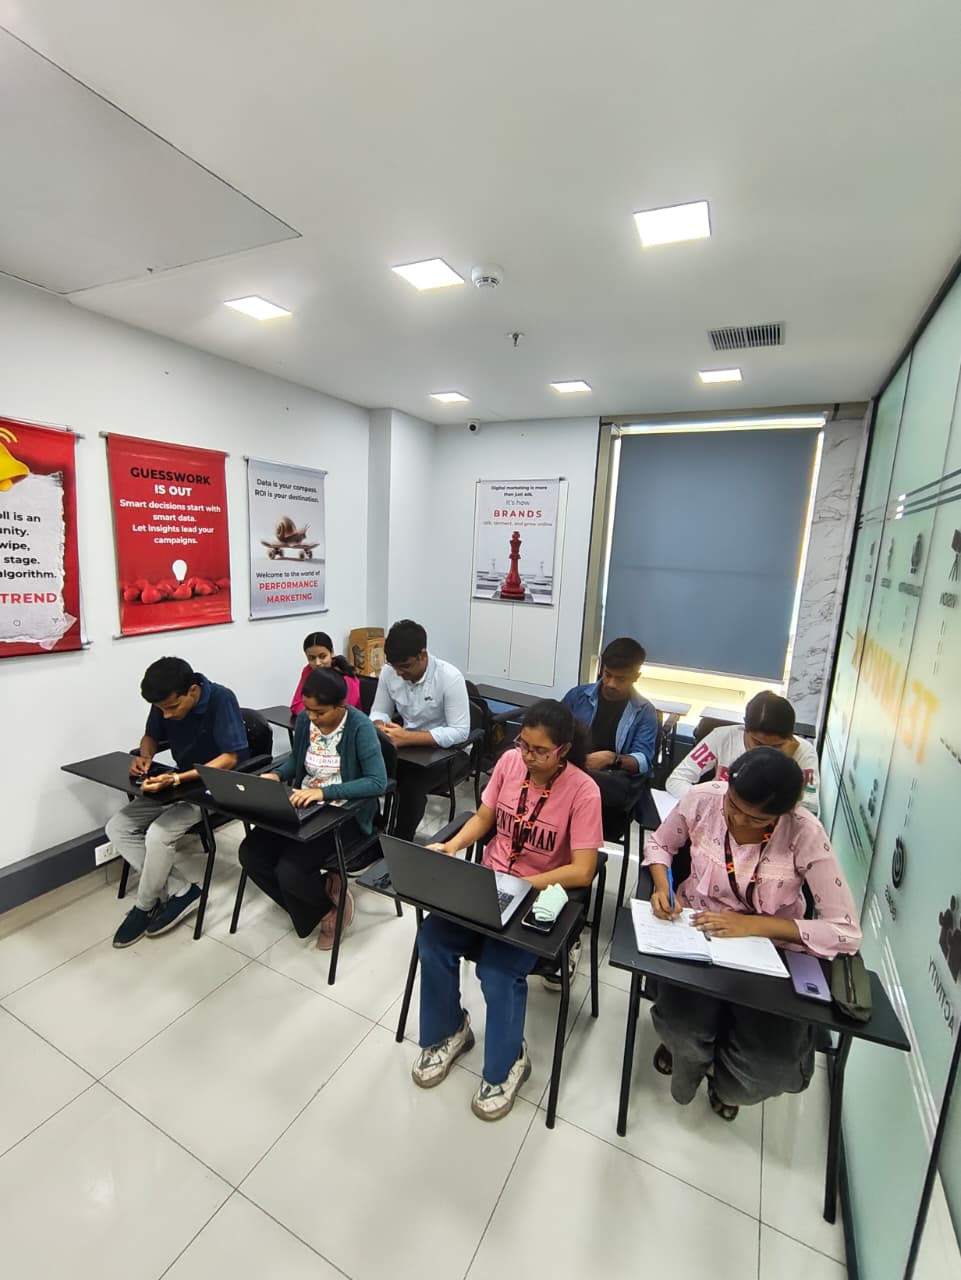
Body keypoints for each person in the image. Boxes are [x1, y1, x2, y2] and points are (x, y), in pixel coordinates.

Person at [644, 748, 860, 1121]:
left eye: (756, 818)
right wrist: (662, 886)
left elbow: (845, 931)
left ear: (784, 813)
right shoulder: (704, 798)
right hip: (698, 931)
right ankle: (689, 1060)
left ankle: (724, 1083)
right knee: (682, 1028)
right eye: (733, 807)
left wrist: (754, 925)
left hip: (772, 950)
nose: (738, 821)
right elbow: (660, 845)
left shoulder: (804, 832)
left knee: (768, 1064)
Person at [411, 700, 602, 1121]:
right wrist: (452, 845)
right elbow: (484, 817)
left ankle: (509, 1061)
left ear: (564, 750)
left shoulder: (583, 791)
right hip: (489, 884)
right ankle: (450, 1030)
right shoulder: (510, 764)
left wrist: (523, 886)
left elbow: (583, 870)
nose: (527, 756)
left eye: (540, 751)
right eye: (523, 745)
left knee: (497, 971)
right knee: (433, 939)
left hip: (538, 895)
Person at [239, 667, 388, 949]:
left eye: (320, 712)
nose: (311, 717)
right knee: (251, 854)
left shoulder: (360, 727)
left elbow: (377, 782)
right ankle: (323, 907)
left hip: (344, 813)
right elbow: (296, 762)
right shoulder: (308, 722)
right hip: (303, 802)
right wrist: (277, 776)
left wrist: (323, 792)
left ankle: (325, 903)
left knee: (290, 871)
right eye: (308, 710)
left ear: (341, 705)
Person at [107, 657, 249, 948]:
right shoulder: (164, 700)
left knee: (158, 834)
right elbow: (151, 736)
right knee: (117, 827)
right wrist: (145, 756)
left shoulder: (221, 699)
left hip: (214, 788)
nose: (167, 715)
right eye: (161, 709)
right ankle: (181, 889)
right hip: (178, 782)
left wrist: (176, 779)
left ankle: (145, 905)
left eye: (172, 707)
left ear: (193, 691)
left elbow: (230, 758)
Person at [369, 619, 470, 840]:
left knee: (411, 786)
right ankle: (372, 832)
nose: (399, 673)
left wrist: (408, 737)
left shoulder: (449, 677)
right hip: (406, 747)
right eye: (394, 667)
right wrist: (380, 728)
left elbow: (460, 731)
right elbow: (379, 711)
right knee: (367, 769)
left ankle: (399, 842)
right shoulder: (389, 673)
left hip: (449, 752)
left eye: (405, 666)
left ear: (422, 655)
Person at [562, 637, 658, 837]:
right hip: (572, 771)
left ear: (636, 676)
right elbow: (553, 729)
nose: (611, 683)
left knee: (573, 782)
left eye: (621, 679)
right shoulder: (578, 696)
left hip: (610, 784)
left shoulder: (644, 711)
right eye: (607, 675)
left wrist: (612, 759)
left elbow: (643, 761)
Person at [666, 689, 820, 814]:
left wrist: (783, 766)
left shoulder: (803, 751)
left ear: (790, 738)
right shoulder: (723, 737)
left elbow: (809, 810)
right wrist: (713, 806)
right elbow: (676, 781)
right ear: (745, 728)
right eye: (757, 743)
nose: (765, 752)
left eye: (776, 746)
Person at [290, 631, 361, 716]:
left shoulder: (345, 677)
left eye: (322, 656)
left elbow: (340, 713)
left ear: (331, 653)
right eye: (312, 658)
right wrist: (317, 712)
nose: (317, 663)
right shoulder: (308, 671)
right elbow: (296, 705)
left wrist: (312, 709)